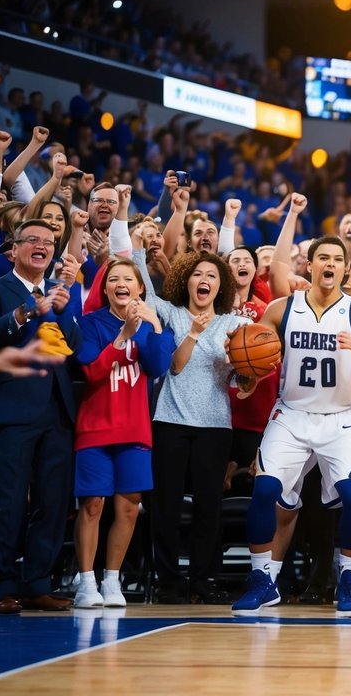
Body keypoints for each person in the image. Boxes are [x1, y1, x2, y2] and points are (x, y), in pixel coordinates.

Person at [231, 198, 351, 618]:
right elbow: (255, 363)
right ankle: (263, 578)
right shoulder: (282, 308)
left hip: (341, 418)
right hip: (292, 413)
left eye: (338, 260)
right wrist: (246, 379)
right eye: (323, 258)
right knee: (264, 490)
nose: (330, 265)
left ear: (345, 269)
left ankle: (348, 577)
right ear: (311, 265)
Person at [133, 216, 248, 604]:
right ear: (187, 280)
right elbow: (174, 364)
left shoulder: (235, 324)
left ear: (221, 284)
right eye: (197, 273)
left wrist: (250, 378)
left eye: (212, 275)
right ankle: (167, 581)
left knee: (208, 509)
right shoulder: (172, 313)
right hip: (169, 421)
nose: (204, 279)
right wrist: (135, 246)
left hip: (216, 425)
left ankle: (203, 581)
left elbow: (240, 381)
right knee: (164, 506)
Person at [0, 219, 82, 614]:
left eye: (49, 242)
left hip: (57, 412)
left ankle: (37, 583)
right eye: (33, 240)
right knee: (9, 501)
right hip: (13, 412)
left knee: (53, 502)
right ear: (15, 249)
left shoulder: (60, 293)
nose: (42, 246)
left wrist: (64, 310)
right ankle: (2, 586)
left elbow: (74, 349)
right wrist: (26, 312)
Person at [71, 258, 173, 607]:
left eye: (127, 278)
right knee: (93, 505)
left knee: (129, 509)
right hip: (96, 427)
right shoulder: (89, 324)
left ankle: (112, 581)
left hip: (135, 428)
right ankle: (86, 582)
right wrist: (123, 336)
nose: (120, 284)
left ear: (140, 288)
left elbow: (158, 366)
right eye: (113, 279)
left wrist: (155, 325)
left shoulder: (152, 326)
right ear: (105, 289)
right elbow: (92, 372)